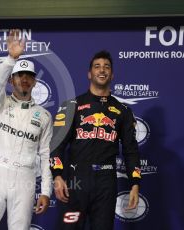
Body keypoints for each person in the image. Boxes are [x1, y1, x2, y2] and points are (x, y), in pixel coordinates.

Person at [50, 50, 141, 230]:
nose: (102, 70)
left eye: (106, 67)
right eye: (97, 66)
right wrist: (57, 176)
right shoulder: (71, 106)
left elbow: (131, 150)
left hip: (106, 182)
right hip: (77, 180)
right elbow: (57, 145)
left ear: (112, 74)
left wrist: (135, 184)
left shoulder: (122, 110)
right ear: (89, 74)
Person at [0, 29, 53, 230]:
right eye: (19, 75)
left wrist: (46, 191)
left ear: (35, 81)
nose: (24, 79)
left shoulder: (44, 116)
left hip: (26, 181)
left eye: (29, 76)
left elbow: (45, 155)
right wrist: (11, 59)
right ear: (11, 80)